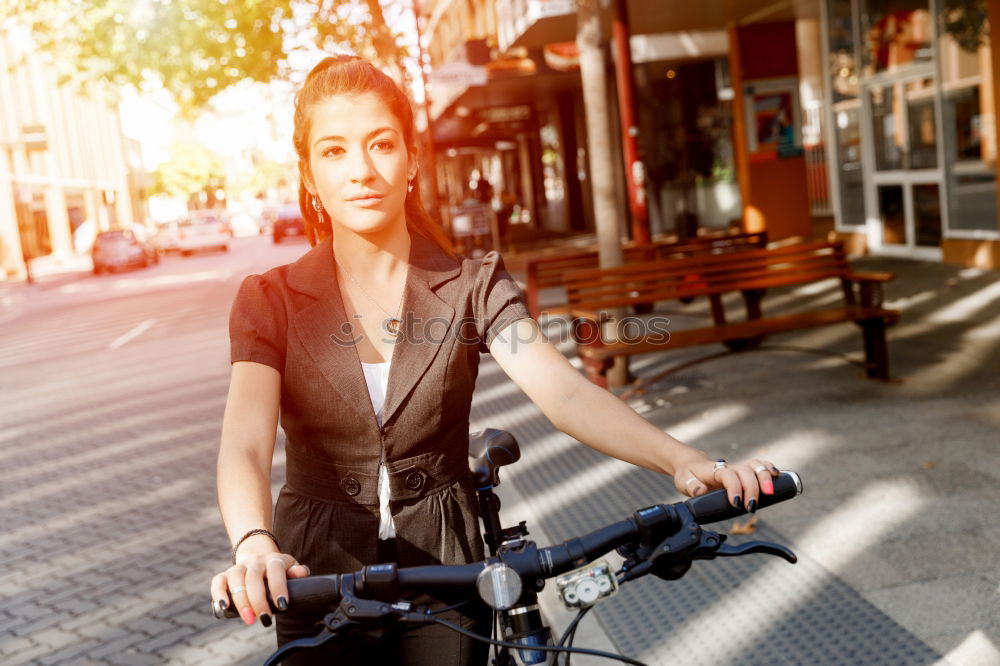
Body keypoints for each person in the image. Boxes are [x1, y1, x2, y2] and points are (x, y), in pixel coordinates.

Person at [210, 55, 780, 665]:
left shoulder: (472, 285)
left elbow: (566, 395)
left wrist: (685, 460)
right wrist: (253, 544)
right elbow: (244, 442)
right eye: (334, 151)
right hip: (314, 570)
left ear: (412, 159)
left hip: (451, 570)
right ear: (309, 171)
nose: (361, 171)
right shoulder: (270, 299)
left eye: (380, 144)